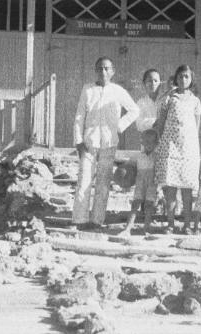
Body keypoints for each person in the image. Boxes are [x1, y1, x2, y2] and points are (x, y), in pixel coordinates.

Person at [72, 57, 140, 229]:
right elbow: (80, 116)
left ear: (112, 71)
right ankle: (80, 219)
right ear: (95, 71)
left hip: (109, 142)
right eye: (100, 68)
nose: (103, 72)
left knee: (103, 182)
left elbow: (134, 110)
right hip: (89, 141)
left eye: (106, 69)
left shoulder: (118, 90)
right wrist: (78, 140)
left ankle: (97, 220)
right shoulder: (87, 90)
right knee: (85, 180)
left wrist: (120, 125)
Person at [154, 64, 201, 235]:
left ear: (191, 79)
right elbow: (161, 122)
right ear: (176, 79)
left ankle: (187, 224)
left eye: (186, 77)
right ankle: (171, 223)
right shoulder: (169, 98)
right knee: (171, 188)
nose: (183, 80)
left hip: (188, 149)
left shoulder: (195, 101)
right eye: (180, 76)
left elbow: (196, 126)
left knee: (187, 189)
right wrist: (161, 142)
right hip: (170, 146)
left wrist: (194, 148)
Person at [119, 129, 158, 235]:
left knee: (149, 205)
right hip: (140, 183)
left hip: (152, 183)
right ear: (142, 142)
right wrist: (125, 181)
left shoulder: (157, 157)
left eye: (152, 142)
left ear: (156, 143)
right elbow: (127, 168)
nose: (149, 144)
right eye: (146, 142)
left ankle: (146, 227)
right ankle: (128, 227)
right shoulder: (138, 156)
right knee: (135, 204)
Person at [135, 69, 162, 133]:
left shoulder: (166, 100)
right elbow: (139, 124)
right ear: (144, 84)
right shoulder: (140, 103)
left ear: (160, 83)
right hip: (148, 139)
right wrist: (156, 122)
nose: (153, 83)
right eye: (149, 81)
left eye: (156, 81)